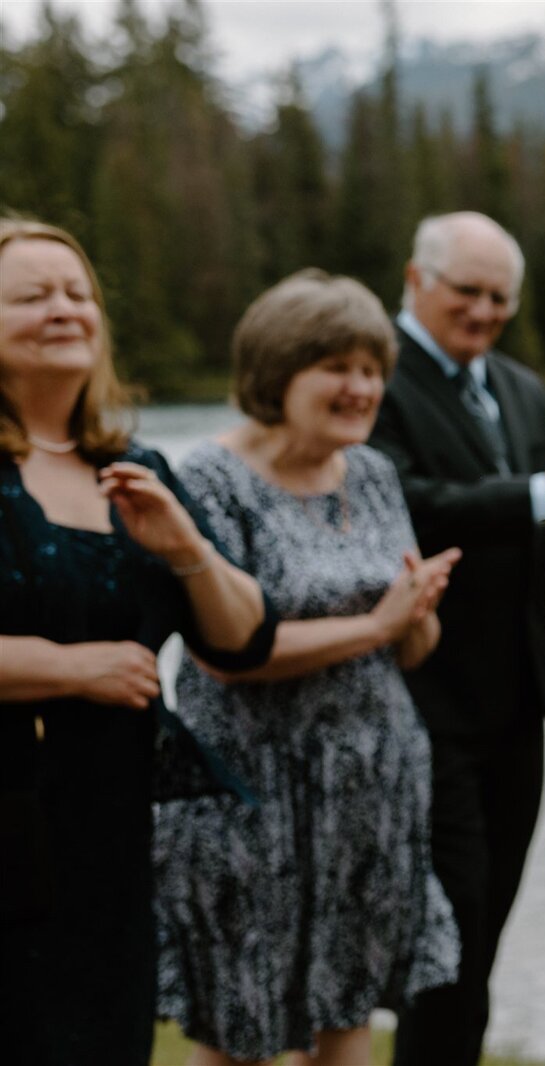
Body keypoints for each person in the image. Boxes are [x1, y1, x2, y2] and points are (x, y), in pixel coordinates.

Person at [150, 270, 462, 1066]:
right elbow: (225, 659)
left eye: (372, 369)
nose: (361, 387)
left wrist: (415, 613)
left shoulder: (374, 472)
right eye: (338, 367)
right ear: (277, 370)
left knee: (348, 1005)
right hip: (250, 786)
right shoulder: (206, 480)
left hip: (371, 781)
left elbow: (410, 647)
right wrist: (379, 623)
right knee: (240, 1021)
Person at [369, 211, 545, 1066]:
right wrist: (539, 491)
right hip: (420, 698)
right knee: (446, 945)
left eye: (501, 298)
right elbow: (404, 502)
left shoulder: (520, 388)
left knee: (484, 932)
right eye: (470, 291)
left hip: (519, 702)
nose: (486, 311)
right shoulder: (370, 373)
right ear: (418, 281)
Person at [0, 218, 273, 1066]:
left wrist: (186, 547)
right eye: (33, 294)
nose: (64, 309)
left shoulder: (135, 464)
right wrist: (66, 668)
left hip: (109, 838)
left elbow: (243, 641)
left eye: (78, 293)